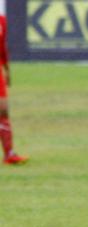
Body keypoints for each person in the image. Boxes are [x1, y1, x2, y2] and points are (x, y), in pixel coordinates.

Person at [0, 14, 27, 165]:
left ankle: (9, 154)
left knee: (3, 110)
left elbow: (2, 47)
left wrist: (7, 69)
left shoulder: (2, 20)